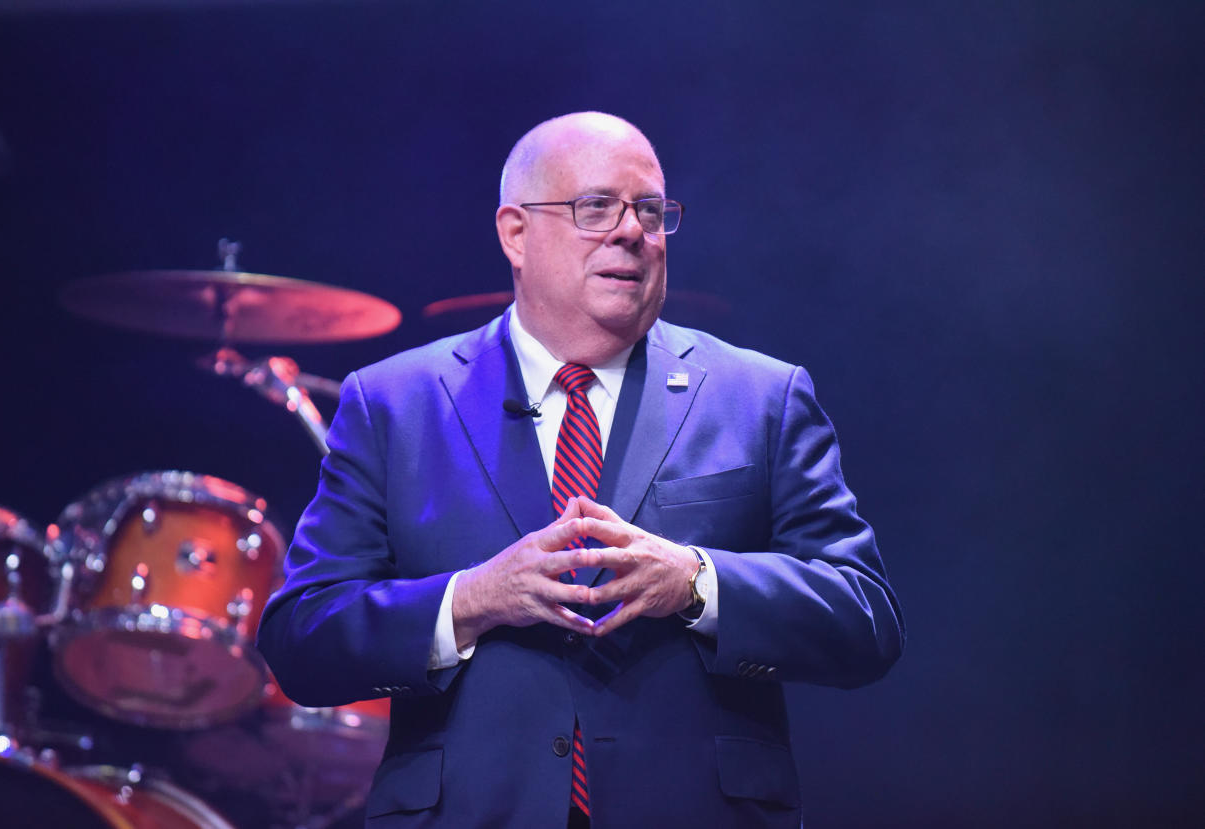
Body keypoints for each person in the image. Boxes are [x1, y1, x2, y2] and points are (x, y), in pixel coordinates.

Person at [257, 111, 904, 828]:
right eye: (596, 207)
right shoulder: (394, 404)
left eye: (651, 211)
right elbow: (301, 637)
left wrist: (696, 580)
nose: (632, 231)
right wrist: (470, 600)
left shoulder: (761, 397)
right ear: (515, 233)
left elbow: (864, 618)